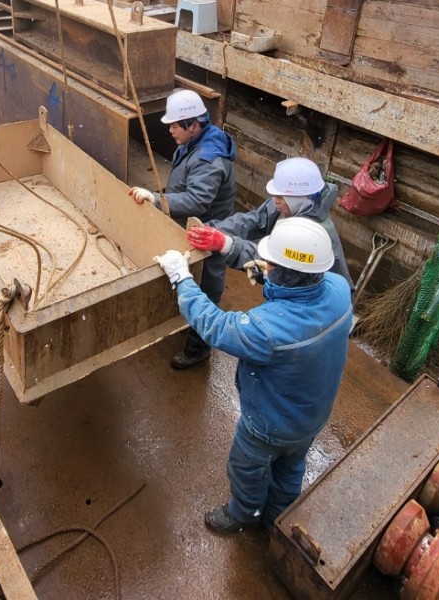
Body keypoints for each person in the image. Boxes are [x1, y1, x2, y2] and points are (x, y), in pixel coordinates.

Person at [154, 218, 352, 533]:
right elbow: (302, 293)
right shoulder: (340, 290)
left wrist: (182, 278)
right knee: (291, 466)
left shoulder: (267, 329)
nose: (267, 266)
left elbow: (214, 325)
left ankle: (244, 513)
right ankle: (279, 516)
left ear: (287, 273)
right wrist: (266, 278)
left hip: (269, 426)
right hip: (312, 417)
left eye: (272, 264)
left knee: (245, 468)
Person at [129, 88, 236, 369]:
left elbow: (198, 199)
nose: (171, 130)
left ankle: (198, 347)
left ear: (194, 124)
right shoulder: (197, 141)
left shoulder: (208, 158)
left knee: (208, 284)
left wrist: (156, 199)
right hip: (193, 224)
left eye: (176, 125)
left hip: (209, 229)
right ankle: (183, 317)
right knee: (188, 274)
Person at [185, 156, 353, 290]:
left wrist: (227, 245)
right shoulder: (284, 206)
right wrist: (212, 229)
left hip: (303, 302)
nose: (275, 200)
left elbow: (273, 267)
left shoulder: (309, 236)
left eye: (281, 196)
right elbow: (253, 220)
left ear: (300, 198)